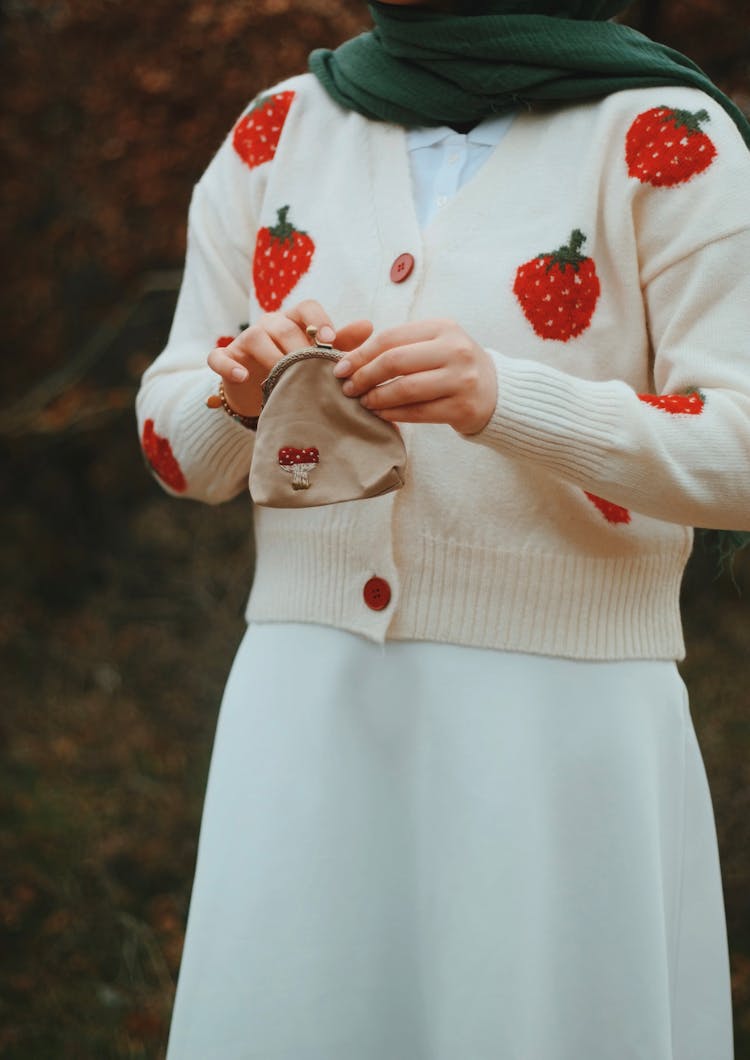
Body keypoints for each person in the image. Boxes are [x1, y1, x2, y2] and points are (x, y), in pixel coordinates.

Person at [136, 1, 750, 1056]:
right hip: (306, 715)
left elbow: (739, 449)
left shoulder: (671, 134)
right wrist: (241, 396)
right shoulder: (278, 129)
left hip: (561, 729)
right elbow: (176, 449)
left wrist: (506, 399)